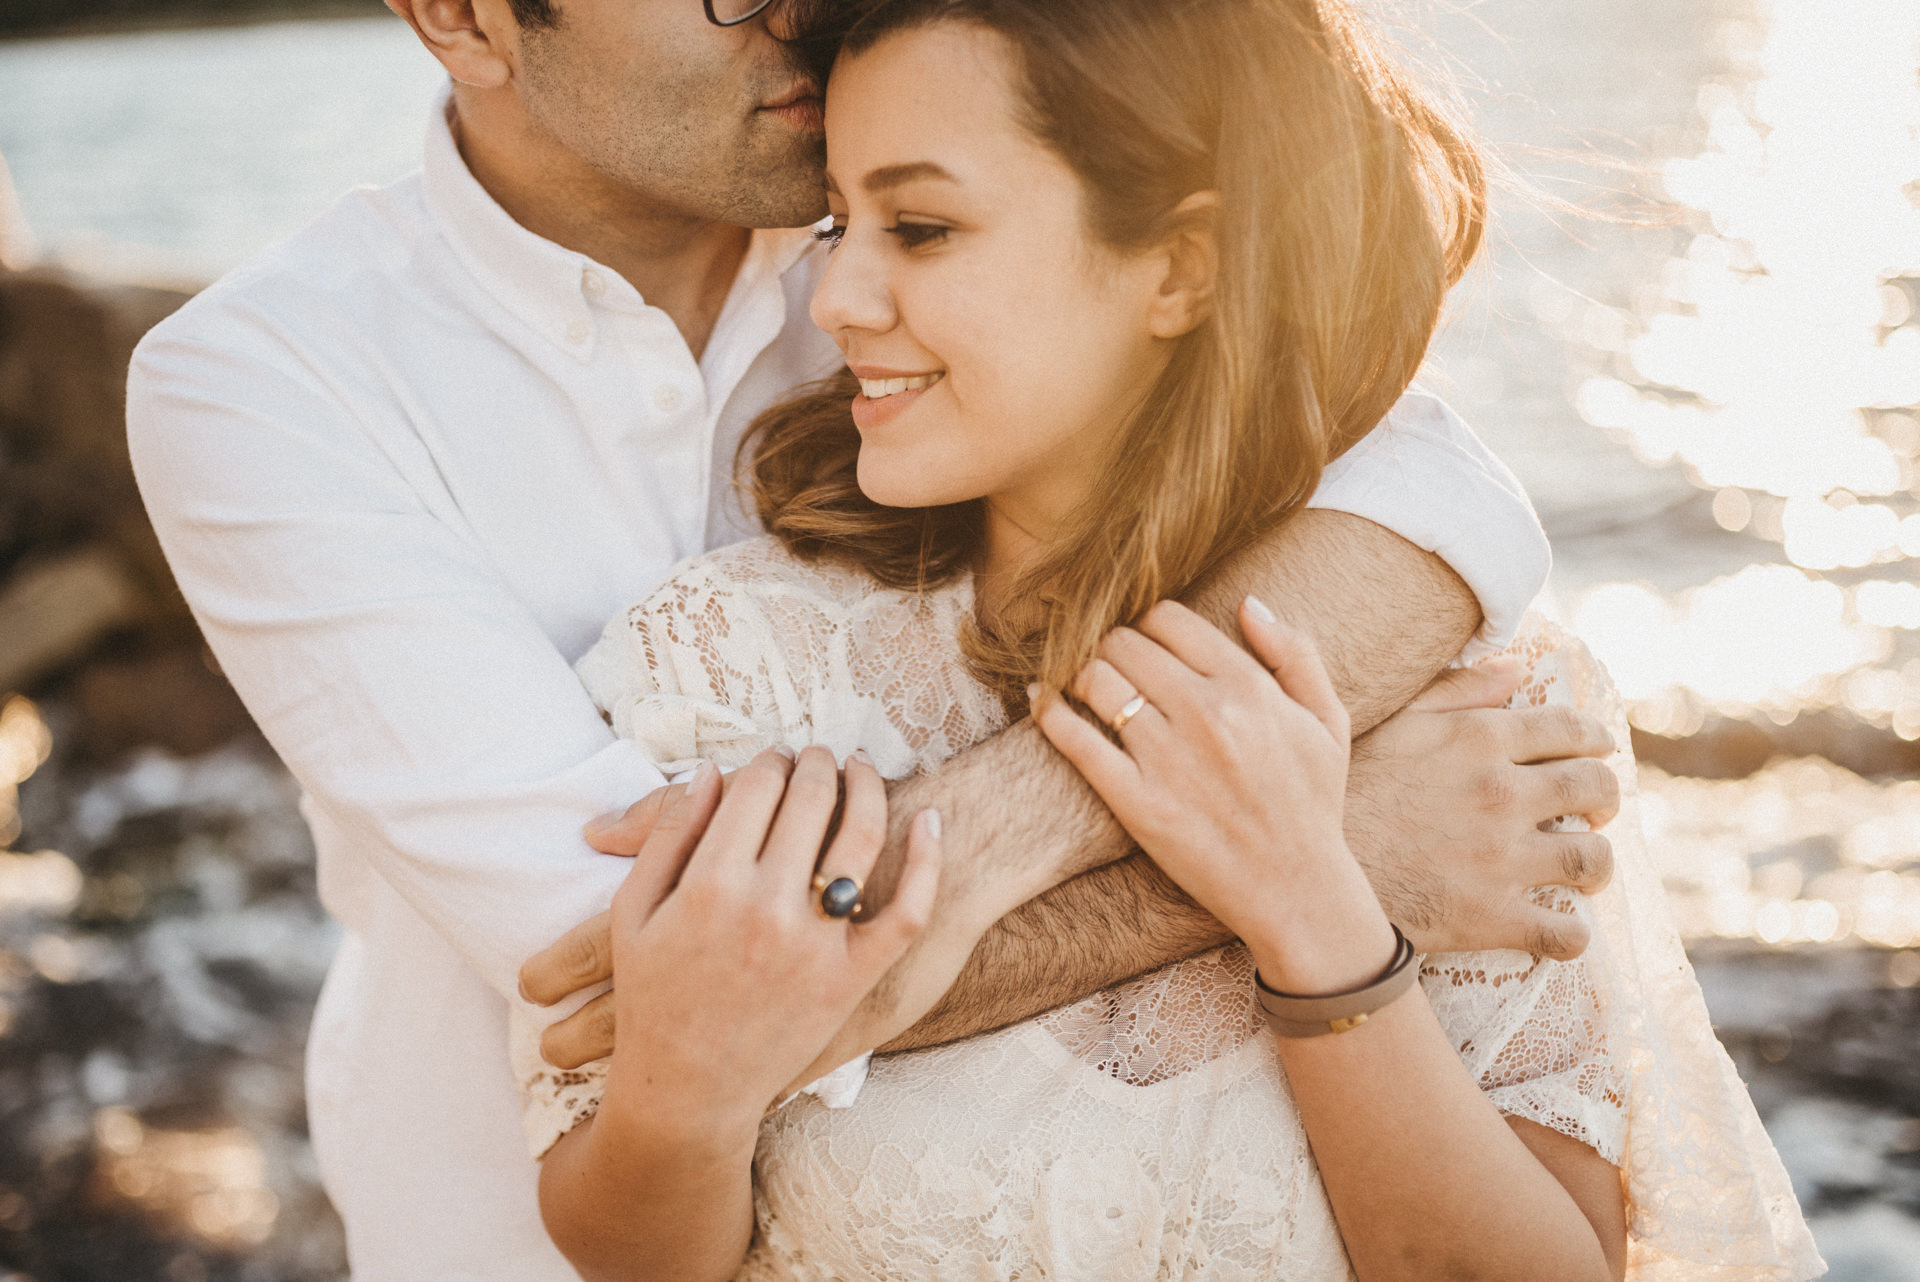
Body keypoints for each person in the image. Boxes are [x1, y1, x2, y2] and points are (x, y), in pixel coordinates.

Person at [127, 0, 1623, 1276]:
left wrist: (1020, 828)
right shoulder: (267, 381)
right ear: (459, 14)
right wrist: (1310, 846)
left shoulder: (900, 164)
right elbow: (619, 982)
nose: (799, 6)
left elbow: (1427, 484)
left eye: (900, 225)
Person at [513, 1, 1822, 1279]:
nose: (838, 295)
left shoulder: (1471, 722)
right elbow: (628, 1244)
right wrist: (682, 1100)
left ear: (1182, 268)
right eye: (837, 222)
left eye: (919, 226)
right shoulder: (720, 662)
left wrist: (1314, 908)